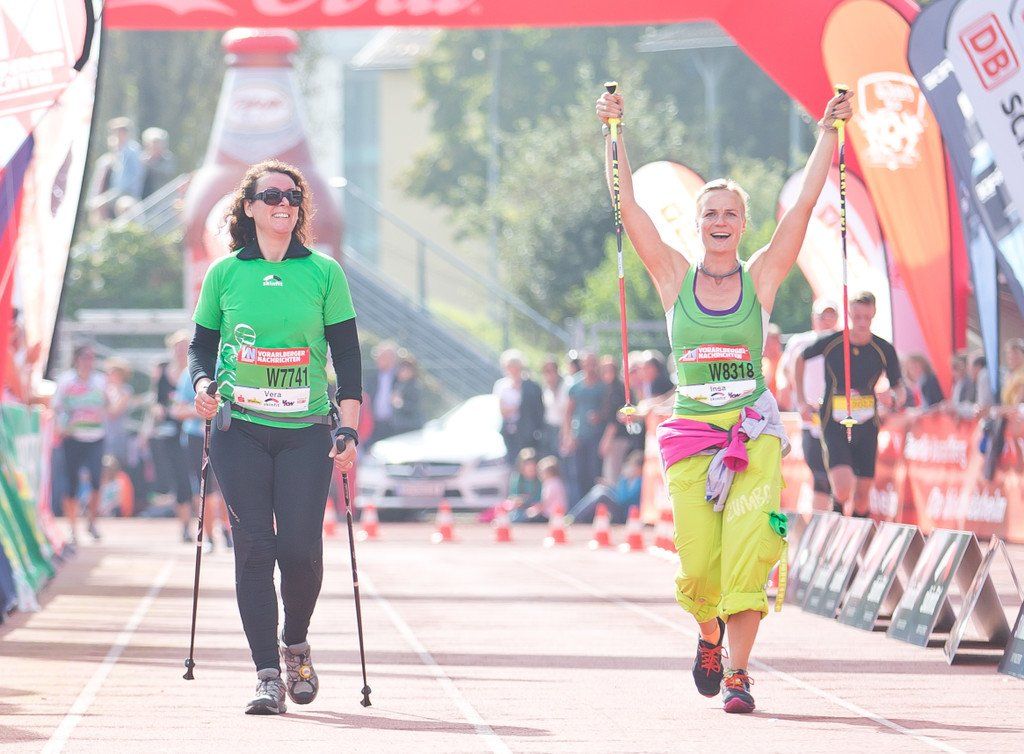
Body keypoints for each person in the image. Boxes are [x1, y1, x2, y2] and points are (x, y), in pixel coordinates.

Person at [597, 84, 852, 713]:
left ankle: (739, 674)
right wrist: (613, 133)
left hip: (752, 435)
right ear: (698, 223)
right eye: (710, 213)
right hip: (691, 436)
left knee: (750, 550)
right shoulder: (672, 275)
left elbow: (804, 207)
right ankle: (708, 634)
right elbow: (627, 206)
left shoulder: (761, 276)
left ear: (742, 224)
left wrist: (827, 133)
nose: (719, 222)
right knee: (699, 567)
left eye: (730, 214)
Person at [189, 159, 362, 715]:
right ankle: (267, 673)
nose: (283, 203)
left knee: (300, 551)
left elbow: (347, 355)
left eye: (292, 195)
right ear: (249, 207)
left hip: (305, 432)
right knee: (255, 549)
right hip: (239, 429)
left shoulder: (323, 272)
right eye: (271, 196)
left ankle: (296, 645)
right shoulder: (224, 274)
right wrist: (203, 384)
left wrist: (349, 426)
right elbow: (201, 347)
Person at [795, 291, 905, 520]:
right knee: (843, 488)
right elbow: (800, 359)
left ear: (874, 314)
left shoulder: (883, 348)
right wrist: (802, 401)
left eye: (867, 317)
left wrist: (893, 398)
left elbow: (899, 387)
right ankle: (836, 519)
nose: (862, 323)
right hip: (834, 423)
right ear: (849, 315)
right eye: (857, 317)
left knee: (862, 497)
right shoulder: (833, 342)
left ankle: (854, 533)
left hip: (866, 425)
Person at [779, 298, 839, 511]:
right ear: (814, 317)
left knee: (837, 476)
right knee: (819, 475)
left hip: (836, 417)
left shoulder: (842, 341)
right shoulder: (800, 341)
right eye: (823, 315)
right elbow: (785, 371)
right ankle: (822, 522)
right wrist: (794, 398)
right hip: (810, 417)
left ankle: (836, 520)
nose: (827, 319)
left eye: (831, 314)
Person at [53, 344, 109, 544]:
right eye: (85, 357)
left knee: (96, 480)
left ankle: (92, 521)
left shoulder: (101, 380)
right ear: (77, 358)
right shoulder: (65, 380)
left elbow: (109, 404)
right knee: (71, 483)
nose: (89, 361)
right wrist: (60, 427)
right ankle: (72, 528)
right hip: (72, 438)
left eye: (92, 357)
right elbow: (56, 407)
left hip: (96, 437)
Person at [173, 363, 232, 553]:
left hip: (225, 435)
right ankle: (208, 537)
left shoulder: (230, 365)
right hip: (197, 438)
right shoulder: (189, 372)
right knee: (204, 488)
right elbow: (178, 410)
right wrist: (204, 409)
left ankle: (228, 532)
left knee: (226, 487)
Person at [561, 352, 606, 504]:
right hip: (580, 436)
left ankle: (595, 506)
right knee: (579, 474)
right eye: (587, 363)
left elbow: (609, 409)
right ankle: (581, 508)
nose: (590, 367)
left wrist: (599, 416)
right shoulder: (576, 386)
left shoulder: (603, 385)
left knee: (595, 472)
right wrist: (568, 436)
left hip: (598, 436)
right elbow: (568, 413)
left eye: (593, 363)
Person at [493, 349, 545, 462]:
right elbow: (503, 411)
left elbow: (537, 411)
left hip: (528, 434)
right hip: (509, 433)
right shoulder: (502, 385)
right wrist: (518, 407)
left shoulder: (531, 387)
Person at [566, 449, 643, 525]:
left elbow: (624, 500)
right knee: (599, 488)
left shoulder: (640, 482)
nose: (630, 468)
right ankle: (573, 516)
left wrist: (623, 480)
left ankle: (573, 517)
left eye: (633, 466)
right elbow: (619, 494)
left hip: (627, 515)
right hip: (621, 509)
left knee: (602, 494)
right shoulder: (625, 480)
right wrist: (609, 485)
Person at [366, 341, 399, 443]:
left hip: (394, 425)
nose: (380, 360)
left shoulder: (400, 378)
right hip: (373, 424)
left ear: (393, 359)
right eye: (379, 357)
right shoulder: (371, 377)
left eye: (385, 357)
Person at [540, 358, 569, 457]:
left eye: (551, 371)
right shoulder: (545, 388)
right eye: (546, 371)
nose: (549, 374)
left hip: (563, 428)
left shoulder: (566, 386)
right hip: (549, 429)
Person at [141, 127, 178, 199]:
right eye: (153, 143)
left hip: (162, 197)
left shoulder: (168, 158)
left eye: (158, 143)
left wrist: (151, 164)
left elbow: (167, 172)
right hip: (144, 197)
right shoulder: (142, 158)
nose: (155, 146)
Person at [391, 356, 423, 434]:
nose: (403, 372)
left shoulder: (415, 386)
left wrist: (400, 403)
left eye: (406, 370)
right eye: (401, 369)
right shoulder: (398, 384)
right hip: (399, 425)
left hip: (411, 426)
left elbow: (415, 406)